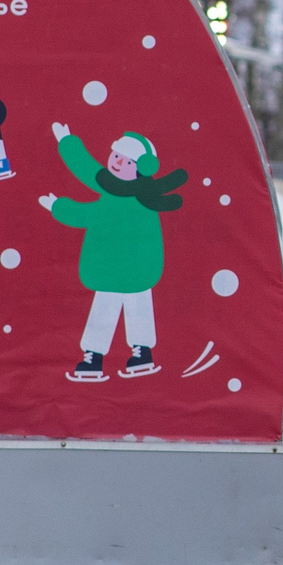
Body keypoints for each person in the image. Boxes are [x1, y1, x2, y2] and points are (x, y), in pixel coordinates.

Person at [40, 125, 188, 381]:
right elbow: (87, 168)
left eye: (127, 161)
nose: (118, 163)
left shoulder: (128, 198)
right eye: (116, 156)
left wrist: (58, 206)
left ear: (141, 167)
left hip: (118, 268)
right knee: (130, 305)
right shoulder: (123, 189)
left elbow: (88, 215)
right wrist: (67, 141)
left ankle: (98, 358)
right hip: (129, 268)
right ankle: (135, 354)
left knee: (112, 307)